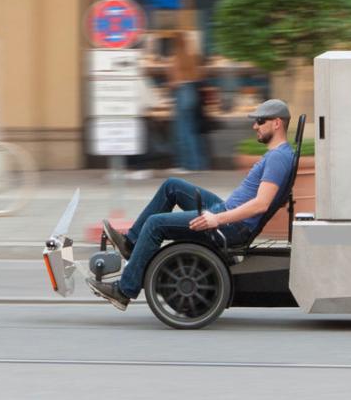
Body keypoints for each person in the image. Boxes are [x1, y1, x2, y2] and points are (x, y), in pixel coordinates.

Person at [88, 99, 295, 310]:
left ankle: (124, 291)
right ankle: (131, 245)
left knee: (154, 224)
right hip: (226, 211)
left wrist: (216, 219)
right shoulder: (280, 155)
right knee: (172, 186)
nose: (255, 126)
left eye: (260, 121)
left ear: (277, 123)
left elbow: (261, 204)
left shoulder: (278, 158)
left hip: (230, 225)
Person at [167, 31, 208, 172]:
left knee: (182, 132)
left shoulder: (177, 57)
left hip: (182, 93)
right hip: (192, 92)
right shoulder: (192, 57)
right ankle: (198, 164)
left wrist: (170, 84)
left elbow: (175, 81)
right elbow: (199, 76)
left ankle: (186, 165)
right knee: (192, 131)